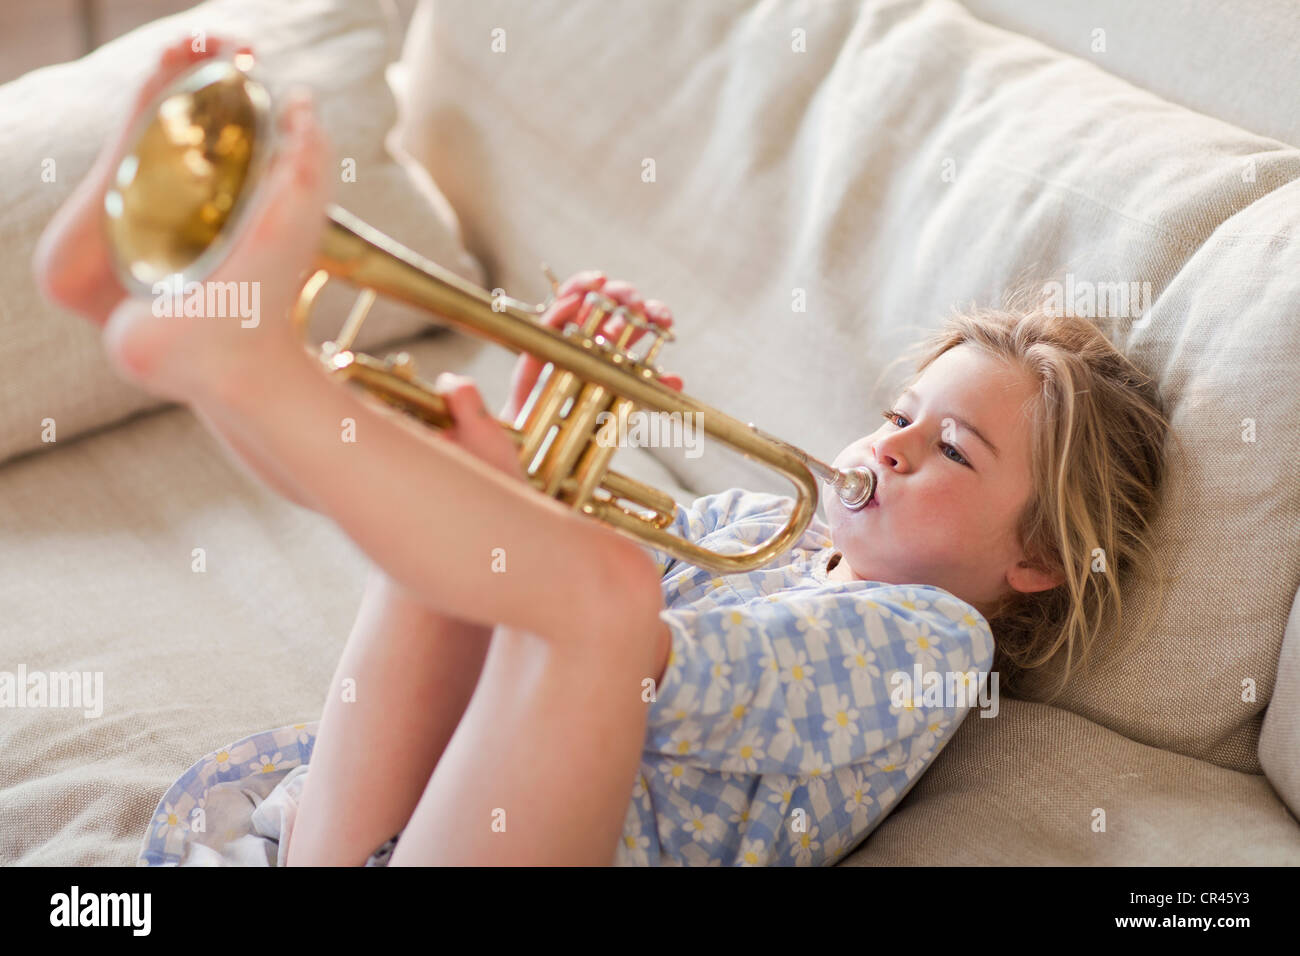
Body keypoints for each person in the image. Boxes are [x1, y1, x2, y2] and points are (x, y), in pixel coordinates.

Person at [35, 38, 1173, 867]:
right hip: (364, 825)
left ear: (1034, 557)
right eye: (898, 410)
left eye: (954, 451)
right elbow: (516, 604)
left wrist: (522, 527)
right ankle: (185, 331)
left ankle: (232, 358)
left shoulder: (934, 642)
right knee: (508, 538)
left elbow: (647, 668)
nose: (892, 444)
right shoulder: (752, 528)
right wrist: (535, 461)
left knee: (600, 597)